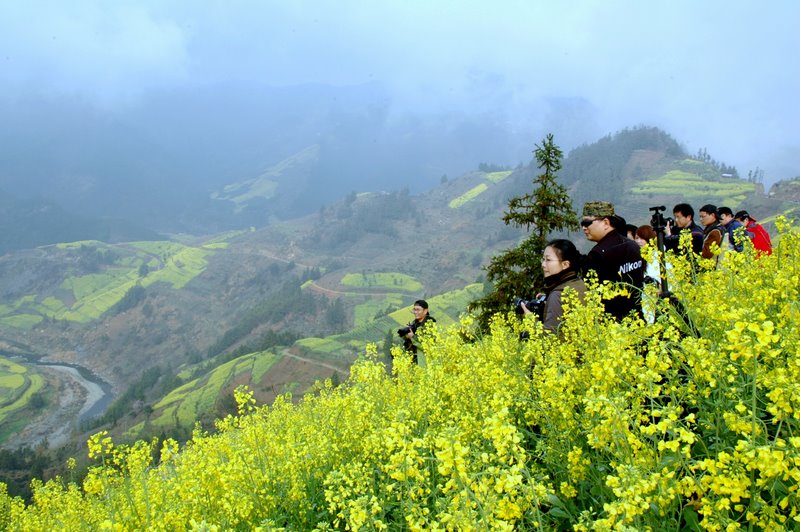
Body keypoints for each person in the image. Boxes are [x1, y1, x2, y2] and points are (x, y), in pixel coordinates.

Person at [581, 201, 644, 320]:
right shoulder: (633, 245)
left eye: (587, 223)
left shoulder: (598, 254)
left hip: (612, 326)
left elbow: (592, 295)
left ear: (606, 222)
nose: (584, 227)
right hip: (636, 319)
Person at [520, 239, 587, 333]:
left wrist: (530, 320)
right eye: (543, 259)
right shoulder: (580, 283)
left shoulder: (558, 294)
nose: (543, 264)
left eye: (548, 260)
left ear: (565, 264)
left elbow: (549, 339)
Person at [398, 299, 436, 364]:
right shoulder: (414, 324)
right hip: (414, 362)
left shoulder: (429, 325)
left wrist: (412, 337)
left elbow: (427, 347)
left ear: (425, 311)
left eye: (418, 310)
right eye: (414, 309)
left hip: (425, 362)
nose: (415, 312)